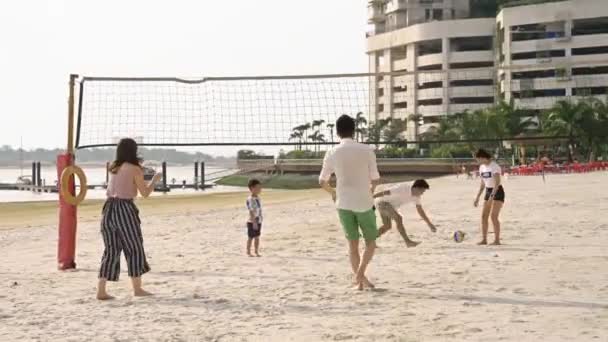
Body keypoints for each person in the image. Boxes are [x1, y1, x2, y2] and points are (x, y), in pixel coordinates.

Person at [319, 114, 380, 290]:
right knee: (371, 243)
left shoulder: (332, 152)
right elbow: (375, 179)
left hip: (343, 203)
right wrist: (370, 191)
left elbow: (322, 181)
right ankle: (360, 276)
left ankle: (360, 280)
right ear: (354, 131)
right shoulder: (367, 150)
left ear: (337, 132)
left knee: (353, 245)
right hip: (364, 201)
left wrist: (333, 193)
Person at [96, 138, 162, 300]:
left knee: (110, 250)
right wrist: (155, 180)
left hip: (108, 209)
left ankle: (101, 291)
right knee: (134, 247)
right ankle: (137, 289)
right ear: (133, 150)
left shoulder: (113, 168)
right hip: (125, 209)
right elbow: (145, 193)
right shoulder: (135, 169)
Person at [373, 179, 437, 247]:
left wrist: (429, 224)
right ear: (416, 188)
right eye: (422, 191)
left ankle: (370, 240)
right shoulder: (403, 188)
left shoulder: (416, 196)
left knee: (387, 226)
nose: (422, 193)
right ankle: (408, 242)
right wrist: (371, 197)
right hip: (382, 203)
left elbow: (420, 211)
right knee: (398, 218)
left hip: (391, 206)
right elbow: (385, 192)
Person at [473, 148, 505, 245]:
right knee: (484, 216)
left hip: (497, 191)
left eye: (477, 159)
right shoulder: (482, 167)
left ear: (482, 157)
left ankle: (497, 240)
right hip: (488, 191)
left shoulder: (494, 166)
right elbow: (483, 184)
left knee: (493, 216)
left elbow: (497, 183)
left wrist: (492, 196)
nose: (477, 161)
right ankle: (484, 239)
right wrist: (478, 197)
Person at [246, 179, 263, 257]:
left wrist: (260, 218)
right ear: (252, 188)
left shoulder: (258, 198)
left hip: (258, 220)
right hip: (252, 221)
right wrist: (254, 222)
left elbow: (259, 209)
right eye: (257, 188)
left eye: (260, 187)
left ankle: (256, 251)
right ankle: (248, 251)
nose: (259, 189)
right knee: (251, 237)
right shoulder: (250, 199)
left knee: (257, 236)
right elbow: (251, 211)